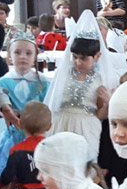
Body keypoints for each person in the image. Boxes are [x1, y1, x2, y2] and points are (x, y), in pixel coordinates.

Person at [0, 33, 48, 189]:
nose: (23, 57)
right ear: (9, 56)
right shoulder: (2, 82)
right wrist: (1, 112)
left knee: (32, 180)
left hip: (35, 140)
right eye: (18, 52)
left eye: (28, 53)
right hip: (12, 139)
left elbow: (47, 106)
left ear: (35, 56)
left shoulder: (43, 83)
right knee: (9, 173)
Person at [44, 10, 120, 158]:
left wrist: (107, 104)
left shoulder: (100, 80)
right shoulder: (64, 74)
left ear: (97, 56)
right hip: (61, 122)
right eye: (75, 57)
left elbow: (99, 115)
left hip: (87, 126)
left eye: (84, 58)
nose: (78, 62)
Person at [0, 101, 51, 189]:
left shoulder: (17, 151)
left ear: (20, 124)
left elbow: (6, 177)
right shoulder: (54, 149)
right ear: (49, 126)